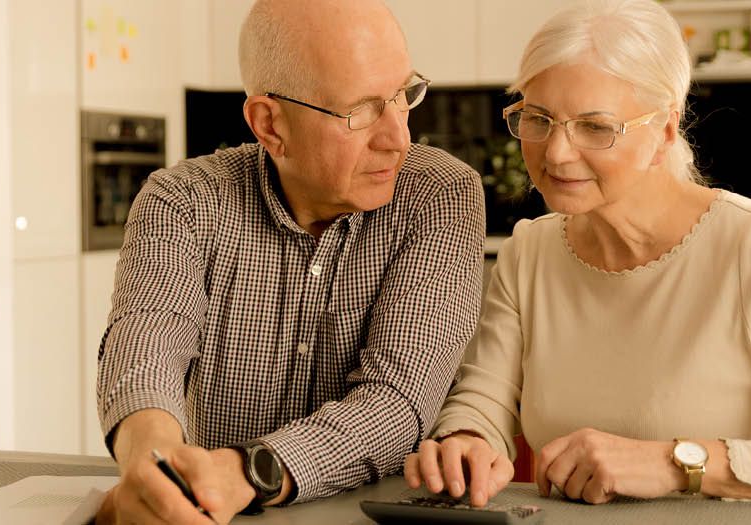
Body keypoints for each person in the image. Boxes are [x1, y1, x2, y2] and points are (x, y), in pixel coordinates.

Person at [404, 0, 751, 507]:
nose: (555, 152)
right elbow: (483, 402)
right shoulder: (529, 251)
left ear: (666, 128)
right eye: (537, 119)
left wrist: (676, 463)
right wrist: (464, 441)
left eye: (595, 127)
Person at [94, 0, 486, 522]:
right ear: (269, 124)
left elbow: (397, 400)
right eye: (362, 110)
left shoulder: (440, 194)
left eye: (402, 96)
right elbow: (146, 345)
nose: (399, 139)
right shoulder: (182, 201)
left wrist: (245, 472)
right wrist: (154, 464)